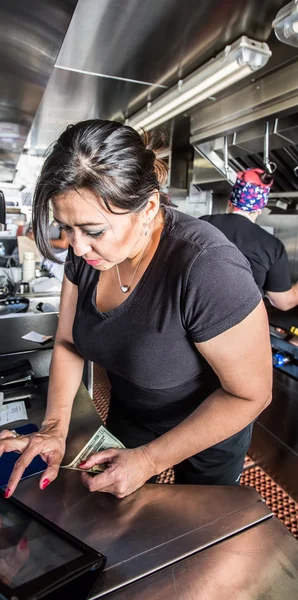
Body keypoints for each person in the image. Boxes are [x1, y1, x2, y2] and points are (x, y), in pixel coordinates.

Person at [0, 121, 272, 500]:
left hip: (207, 428)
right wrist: (55, 427)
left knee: (197, 532)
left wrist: (148, 460)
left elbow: (251, 395)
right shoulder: (88, 257)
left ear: (148, 209)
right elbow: (67, 342)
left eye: (93, 231)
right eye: (66, 227)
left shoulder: (208, 268)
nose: (76, 249)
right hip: (131, 413)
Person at [201, 169, 298, 311]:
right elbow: (284, 302)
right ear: (259, 209)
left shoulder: (202, 223)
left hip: (191, 318)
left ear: (230, 202)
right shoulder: (271, 245)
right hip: (238, 324)